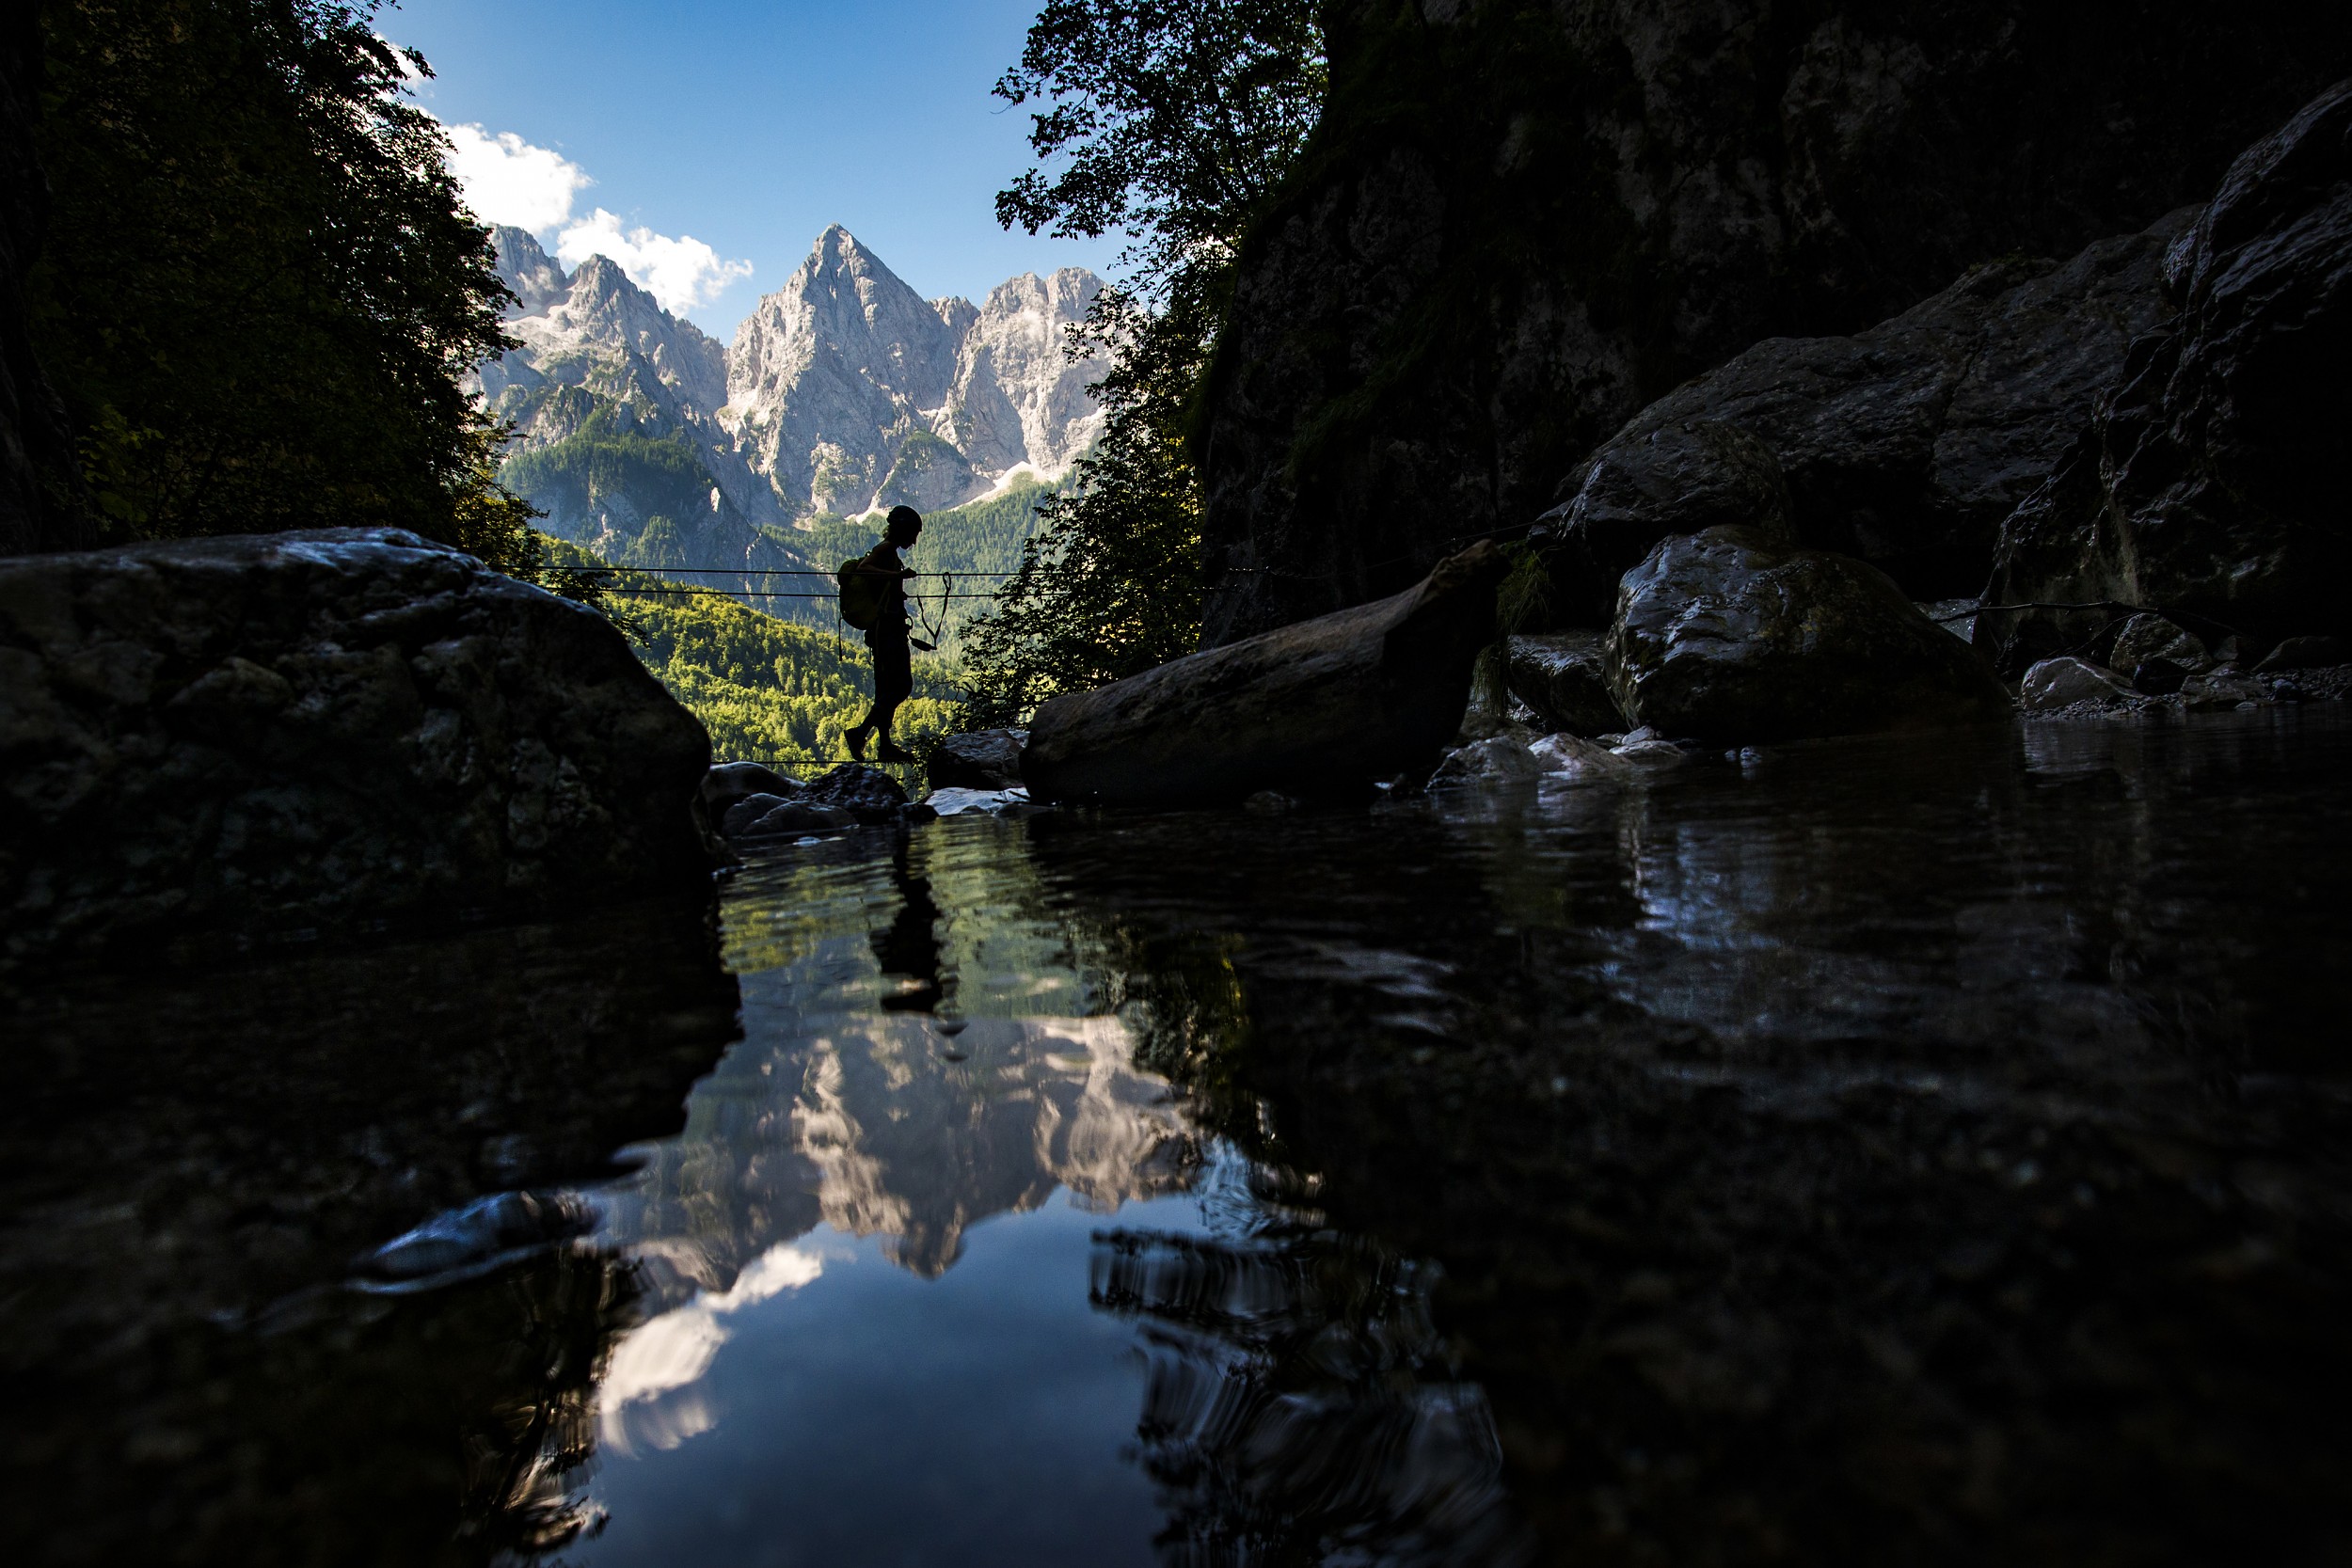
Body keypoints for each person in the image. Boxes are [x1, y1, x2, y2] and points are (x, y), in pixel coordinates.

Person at [846, 504, 923, 762]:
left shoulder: (889, 552)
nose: (913, 540)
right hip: (887, 629)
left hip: (887, 627)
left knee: (886, 688)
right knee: (901, 685)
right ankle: (860, 733)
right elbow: (864, 569)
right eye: (912, 534)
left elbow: (881, 583)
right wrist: (897, 575)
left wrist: (895, 585)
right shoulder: (885, 549)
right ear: (902, 530)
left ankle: (884, 746)